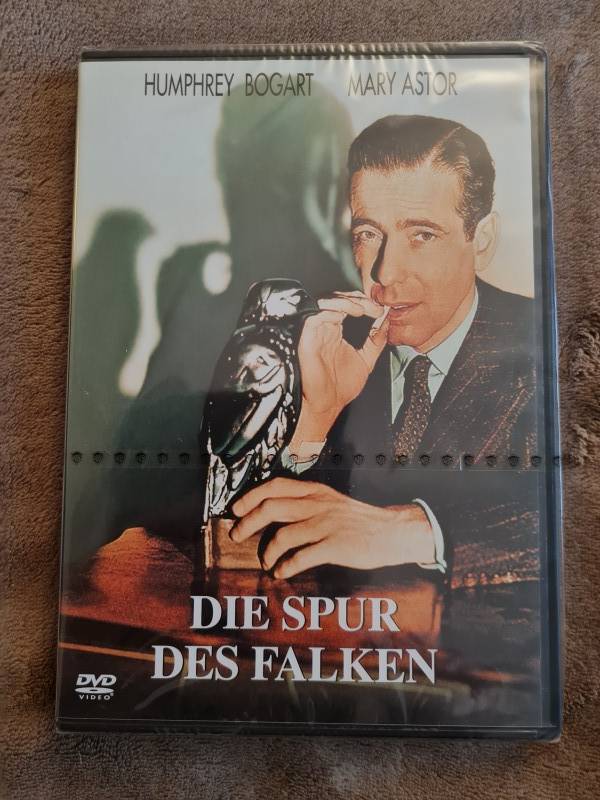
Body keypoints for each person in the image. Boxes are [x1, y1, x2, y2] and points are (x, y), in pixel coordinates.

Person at [229, 115, 541, 590]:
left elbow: (569, 513)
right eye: (368, 234)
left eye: (422, 235)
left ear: (482, 241)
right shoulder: (320, 342)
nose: (384, 273)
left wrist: (414, 531)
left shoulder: (549, 345)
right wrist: (316, 418)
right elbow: (234, 527)